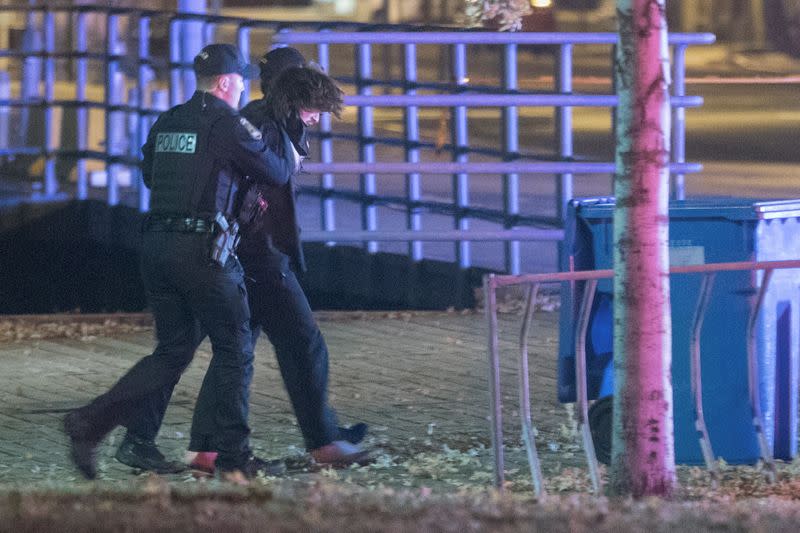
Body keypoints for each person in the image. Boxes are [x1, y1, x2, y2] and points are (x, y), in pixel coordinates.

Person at [63, 43, 296, 482]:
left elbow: (152, 173)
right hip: (201, 251)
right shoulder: (228, 124)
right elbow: (278, 172)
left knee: (172, 351)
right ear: (226, 83)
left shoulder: (170, 119)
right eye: (242, 81)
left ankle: (100, 427)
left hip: (156, 248)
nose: (246, 87)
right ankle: (233, 457)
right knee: (236, 346)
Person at [189, 49, 373, 474]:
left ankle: (206, 448)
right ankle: (324, 442)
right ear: (293, 90)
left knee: (236, 352)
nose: (316, 117)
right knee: (304, 343)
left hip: (242, 253)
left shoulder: (257, 118)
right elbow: (266, 183)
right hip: (260, 256)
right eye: (312, 106)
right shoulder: (267, 126)